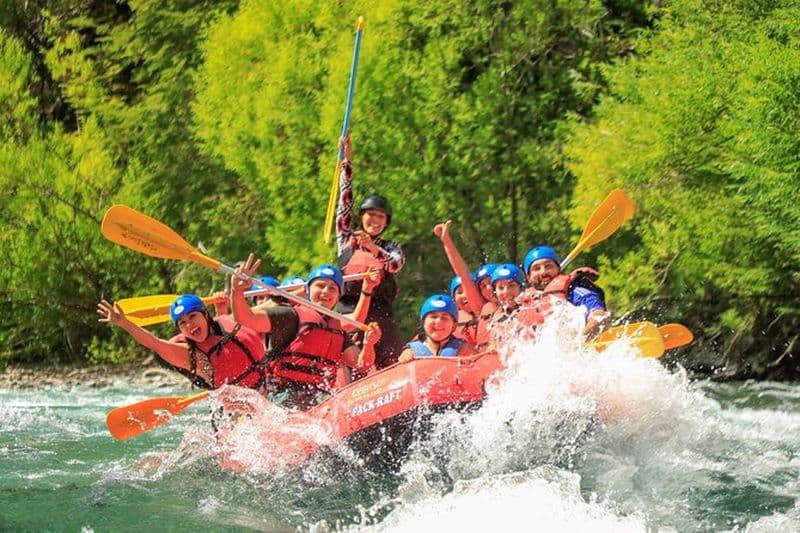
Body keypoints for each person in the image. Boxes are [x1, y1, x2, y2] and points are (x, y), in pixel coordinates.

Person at [230, 257, 381, 409]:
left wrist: (369, 344)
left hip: (320, 397)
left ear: (337, 297)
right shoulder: (290, 316)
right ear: (308, 290)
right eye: (320, 285)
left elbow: (363, 365)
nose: (325, 291)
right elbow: (245, 318)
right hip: (282, 395)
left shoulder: (338, 331)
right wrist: (237, 291)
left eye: (332, 288)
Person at [97, 294, 268, 391]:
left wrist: (227, 303)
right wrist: (123, 323)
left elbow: (259, 315)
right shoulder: (191, 355)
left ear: (205, 315)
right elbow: (154, 343)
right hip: (233, 415)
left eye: (192, 316)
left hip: (263, 396)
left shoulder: (227, 325)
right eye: (182, 323)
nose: (189, 325)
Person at [335, 135, 405, 368]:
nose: (375, 220)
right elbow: (344, 203)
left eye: (380, 217)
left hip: (380, 312)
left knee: (390, 359)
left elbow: (395, 265)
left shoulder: (391, 247)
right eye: (370, 215)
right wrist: (347, 162)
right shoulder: (347, 237)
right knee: (349, 358)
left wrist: (373, 248)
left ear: (386, 222)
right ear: (362, 217)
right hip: (350, 309)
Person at [521, 245, 610, 338]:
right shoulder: (526, 304)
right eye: (536, 268)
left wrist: (580, 341)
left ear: (558, 270)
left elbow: (600, 316)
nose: (543, 272)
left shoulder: (574, 292)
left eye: (548, 266)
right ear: (528, 277)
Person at [433, 220, 487, 345]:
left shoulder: (484, 309)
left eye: (467, 290)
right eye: (459, 292)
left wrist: (447, 241)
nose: (465, 295)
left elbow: (463, 275)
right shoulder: (451, 320)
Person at [398, 294, 474, 362]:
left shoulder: (464, 349)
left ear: (454, 326)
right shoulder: (411, 352)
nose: (438, 322)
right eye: (433, 316)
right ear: (423, 322)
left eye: (445, 318)